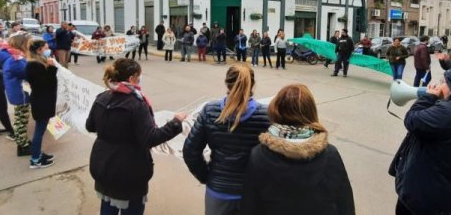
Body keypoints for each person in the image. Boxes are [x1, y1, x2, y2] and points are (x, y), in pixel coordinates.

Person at [86, 58, 187, 215]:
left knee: (107, 205)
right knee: (132, 208)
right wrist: (176, 122)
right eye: (139, 75)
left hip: (103, 165)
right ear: (132, 78)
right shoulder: (136, 103)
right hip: (129, 170)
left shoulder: (102, 97)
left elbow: (90, 125)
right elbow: (150, 139)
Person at [389, 66, 451, 214]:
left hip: (425, 197)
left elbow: (412, 120)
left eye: (445, 82)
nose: (441, 85)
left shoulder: (447, 113)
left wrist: (428, 97)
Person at [241, 84, 355, 215]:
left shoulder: (258, 155)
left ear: (276, 110)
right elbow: (345, 206)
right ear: (311, 112)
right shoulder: (331, 155)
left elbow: (249, 206)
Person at [183, 65, 270, 215]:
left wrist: (207, 176)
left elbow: (190, 151)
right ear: (252, 84)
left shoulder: (210, 111)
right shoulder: (266, 115)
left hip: (218, 193)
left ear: (226, 83)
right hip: (252, 193)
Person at [0, 33, 33, 156]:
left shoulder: (15, 56)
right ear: (22, 44)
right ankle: (22, 146)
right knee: (21, 120)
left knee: (21, 119)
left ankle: (23, 142)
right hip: (20, 93)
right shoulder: (15, 59)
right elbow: (27, 74)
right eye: (28, 43)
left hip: (18, 92)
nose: (30, 45)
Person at [26, 40, 58, 169]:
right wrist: (51, 68)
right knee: (39, 131)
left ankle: (38, 153)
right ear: (39, 50)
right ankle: (35, 160)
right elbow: (45, 83)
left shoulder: (39, 62)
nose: (48, 49)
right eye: (46, 48)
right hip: (41, 101)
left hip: (44, 99)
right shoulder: (34, 65)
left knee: (41, 129)